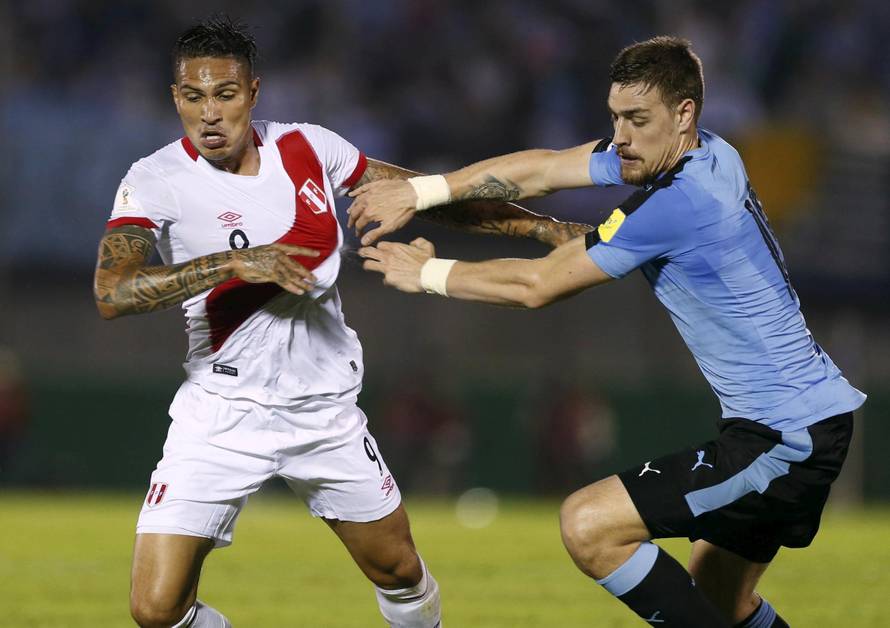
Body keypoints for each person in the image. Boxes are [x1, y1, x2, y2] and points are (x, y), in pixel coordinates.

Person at [351, 36, 866, 627]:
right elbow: (543, 169)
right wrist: (423, 190)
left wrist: (429, 273)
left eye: (637, 119)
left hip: (785, 436)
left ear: (684, 114)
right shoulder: (715, 154)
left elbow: (537, 287)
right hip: (802, 421)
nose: (620, 135)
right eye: (615, 116)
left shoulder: (683, 202)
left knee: (589, 525)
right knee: (723, 602)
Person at [92, 16, 586, 628]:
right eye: (193, 97)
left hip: (322, 408)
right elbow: (112, 293)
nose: (209, 114)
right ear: (176, 98)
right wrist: (231, 263)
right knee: (155, 609)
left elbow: (425, 196)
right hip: (220, 410)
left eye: (225, 94)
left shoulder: (308, 148)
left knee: (400, 572)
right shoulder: (155, 179)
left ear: (253, 93)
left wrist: (546, 228)